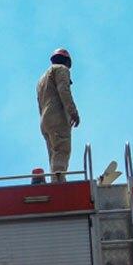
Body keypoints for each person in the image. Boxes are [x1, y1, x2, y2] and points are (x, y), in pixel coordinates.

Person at [36, 47, 80, 182]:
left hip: (45, 120)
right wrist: (73, 112)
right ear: (67, 62)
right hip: (57, 116)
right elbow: (63, 90)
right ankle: (59, 182)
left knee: (53, 154)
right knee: (62, 149)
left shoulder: (41, 80)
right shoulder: (61, 69)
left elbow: (40, 103)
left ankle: (56, 179)